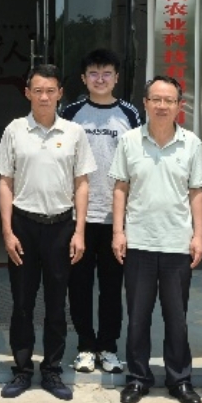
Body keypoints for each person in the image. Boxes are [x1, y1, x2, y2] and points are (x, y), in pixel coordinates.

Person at [0, 64, 95, 401]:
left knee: (56, 303)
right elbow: (5, 182)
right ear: (27, 93)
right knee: (22, 302)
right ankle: (22, 370)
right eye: (38, 90)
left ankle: (52, 370)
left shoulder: (74, 132)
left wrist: (79, 231)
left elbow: (82, 183)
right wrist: (7, 231)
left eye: (51, 91)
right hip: (23, 225)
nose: (44, 97)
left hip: (61, 227)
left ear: (60, 93)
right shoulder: (15, 130)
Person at [111, 75, 202, 403]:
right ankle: (138, 377)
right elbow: (120, 187)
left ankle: (179, 379)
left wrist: (199, 235)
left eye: (169, 100)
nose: (162, 106)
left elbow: (196, 191)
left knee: (177, 318)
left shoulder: (192, 143)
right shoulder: (129, 141)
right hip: (139, 241)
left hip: (177, 243)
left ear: (180, 105)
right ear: (145, 103)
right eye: (156, 99)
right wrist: (118, 231)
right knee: (137, 317)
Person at [61, 48, 141, 375]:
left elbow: (138, 163)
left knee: (111, 287)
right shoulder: (71, 112)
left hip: (115, 218)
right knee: (78, 286)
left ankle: (108, 347)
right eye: (93, 73)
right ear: (83, 78)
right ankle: (84, 346)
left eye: (107, 73)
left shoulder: (130, 114)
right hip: (77, 217)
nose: (100, 79)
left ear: (116, 77)